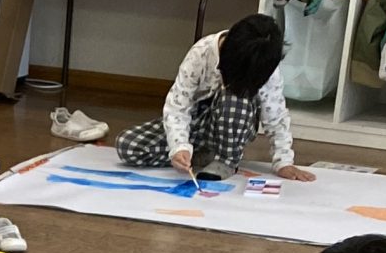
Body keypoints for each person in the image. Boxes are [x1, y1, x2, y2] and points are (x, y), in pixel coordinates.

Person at [116, 14, 315, 182]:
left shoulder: (263, 65)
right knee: (128, 146)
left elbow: (276, 116)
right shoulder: (201, 53)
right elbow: (178, 106)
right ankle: (203, 155)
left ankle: (226, 160)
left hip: (234, 123)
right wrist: (179, 147)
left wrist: (283, 161)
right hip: (198, 124)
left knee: (234, 97)